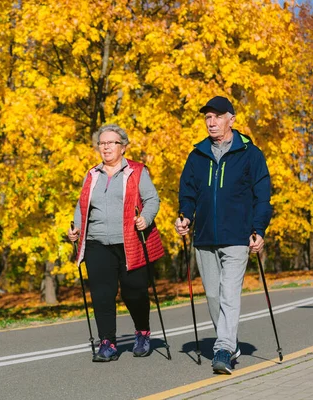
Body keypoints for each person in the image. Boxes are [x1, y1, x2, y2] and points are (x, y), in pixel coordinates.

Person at [174, 96, 272, 374]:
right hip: (204, 237)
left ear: (232, 118)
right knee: (214, 297)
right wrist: (185, 216)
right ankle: (228, 342)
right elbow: (188, 192)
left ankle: (224, 349)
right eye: (207, 117)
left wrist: (258, 229)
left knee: (229, 293)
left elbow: (262, 195)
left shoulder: (250, 154)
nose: (212, 121)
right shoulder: (197, 155)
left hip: (237, 236)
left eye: (217, 116)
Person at [68, 123, 164, 362]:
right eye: (102, 143)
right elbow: (82, 206)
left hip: (129, 241)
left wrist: (146, 217)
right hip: (96, 243)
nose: (106, 147)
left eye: (111, 143)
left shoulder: (137, 171)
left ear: (123, 147)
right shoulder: (92, 174)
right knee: (102, 295)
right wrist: (76, 228)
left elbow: (152, 199)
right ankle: (107, 342)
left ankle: (142, 332)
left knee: (134, 292)